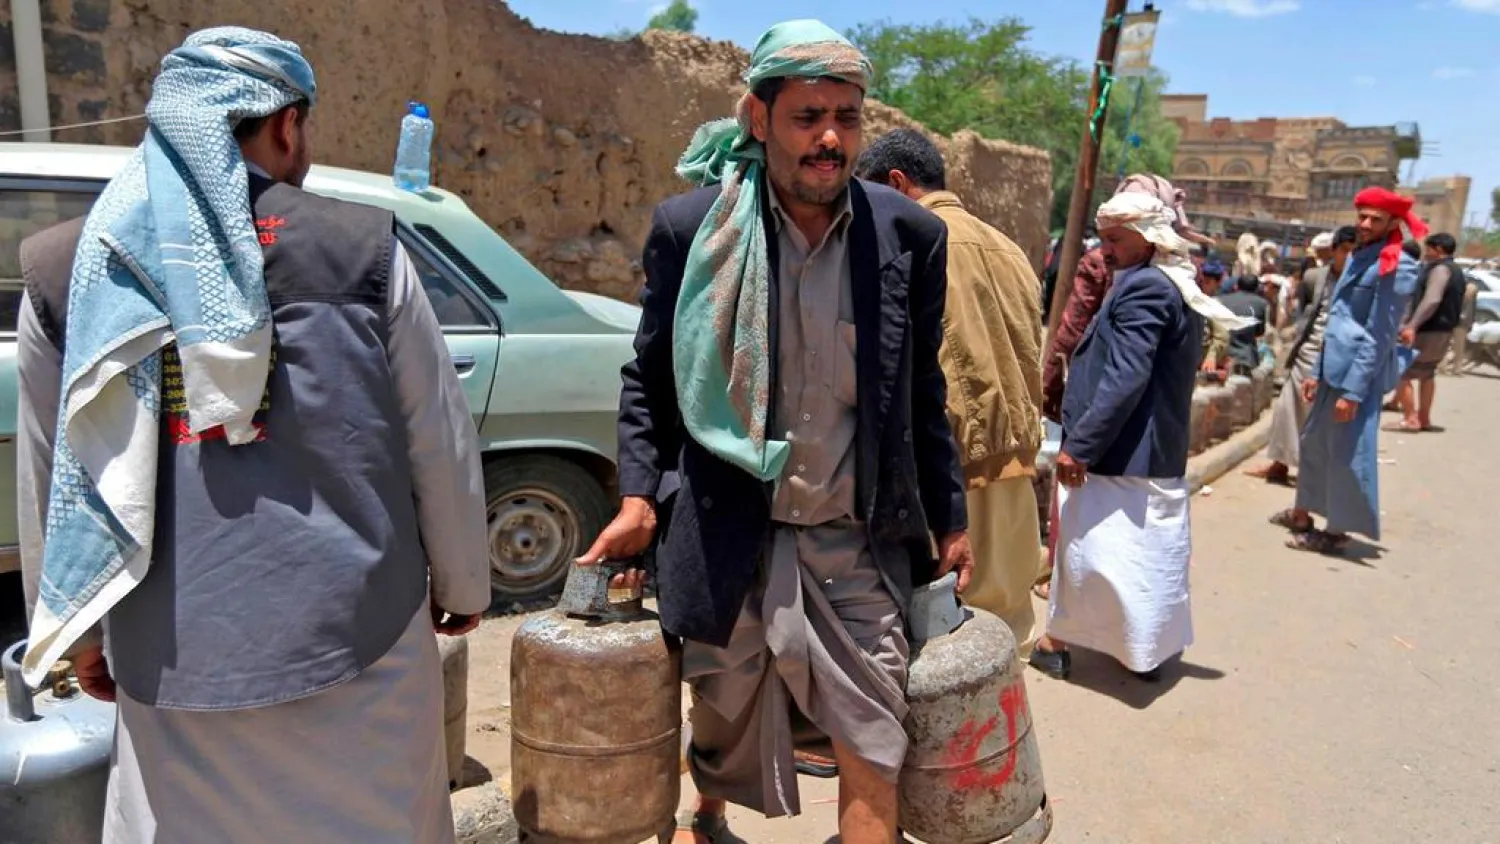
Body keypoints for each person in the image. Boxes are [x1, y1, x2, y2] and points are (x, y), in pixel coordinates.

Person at [15, 28, 488, 843]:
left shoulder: (71, 270)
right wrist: (465, 586)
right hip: (363, 648)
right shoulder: (364, 248)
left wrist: (77, 629)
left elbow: (52, 479)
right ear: (287, 125)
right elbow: (436, 445)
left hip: (167, 661)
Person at [575, 21, 970, 842]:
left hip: (854, 543)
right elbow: (649, 381)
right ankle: (706, 817)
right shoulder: (693, 233)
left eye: (847, 117)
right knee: (719, 726)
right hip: (730, 532)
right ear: (759, 118)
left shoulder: (909, 238)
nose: (831, 138)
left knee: (874, 735)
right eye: (808, 116)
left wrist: (952, 515)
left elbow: (920, 392)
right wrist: (641, 496)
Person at [1029, 192, 1253, 682]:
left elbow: (1125, 378)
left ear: (1148, 238)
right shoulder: (1162, 283)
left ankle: (1056, 641)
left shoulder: (1146, 288)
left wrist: (1079, 445)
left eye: (1114, 239)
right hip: (1146, 455)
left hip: (1122, 454)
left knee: (1090, 554)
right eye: (1102, 237)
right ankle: (1142, 651)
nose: (1103, 249)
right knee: (1139, 559)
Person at [856, 128, 1044, 658]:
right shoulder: (1006, 246)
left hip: (955, 479)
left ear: (897, 183)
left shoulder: (915, 240)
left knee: (946, 646)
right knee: (1007, 636)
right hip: (1017, 473)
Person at [1273, 188, 1424, 554]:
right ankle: (1302, 513)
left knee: (1346, 455)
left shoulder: (1397, 265)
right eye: (1363, 216)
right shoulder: (1359, 256)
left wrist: (1354, 391)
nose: (1366, 224)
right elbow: (1337, 322)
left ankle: (1338, 530)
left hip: (1357, 375)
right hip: (1331, 370)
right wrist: (1316, 371)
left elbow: (1378, 336)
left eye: (1375, 218)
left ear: (1392, 222)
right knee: (1313, 444)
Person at [1245, 226, 1357, 484]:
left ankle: (1315, 472)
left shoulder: (1363, 281)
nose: (1349, 257)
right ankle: (1280, 464)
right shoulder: (1316, 277)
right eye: (1344, 251)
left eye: (1355, 251)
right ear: (1334, 251)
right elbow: (1305, 313)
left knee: (1320, 417)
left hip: (1340, 356)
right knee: (1287, 409)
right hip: (1309, 352)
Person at [1386, 232, 1464, 432]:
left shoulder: (1440, 269)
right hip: (1443, 330)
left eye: (1429, 248)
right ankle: (1424, 418)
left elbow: (1433, 299)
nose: (1426, 252)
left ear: (1438, 249)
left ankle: (1410, 418)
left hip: (1427, 330)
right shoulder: (1456, 270)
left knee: (1401, 371)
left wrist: (1412, 325)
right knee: (1427, 374)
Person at [1216, 274, 1270, 374]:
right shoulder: (1262, 303)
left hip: (1220, 356)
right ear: (1257, 288)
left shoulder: (1220, 300)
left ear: (1236, 286)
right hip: (1246, 359)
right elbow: (1259, 332)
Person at [1440, 275, 1479, 376]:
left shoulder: (1454, 288)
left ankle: (1442, 367)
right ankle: (1457, 369)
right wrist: (1471, 322)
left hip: (1451, 319)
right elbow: (1472, 310)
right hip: (1462, 322)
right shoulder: (1472, 291)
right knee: (1459, 347)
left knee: (1446, 345)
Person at [1198, 261, 1230, 374]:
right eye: (1203, 281)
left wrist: (1211, 356)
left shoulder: (1214, 305)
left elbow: (1221, 337)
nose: (1203, 285)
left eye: (1207, 282)